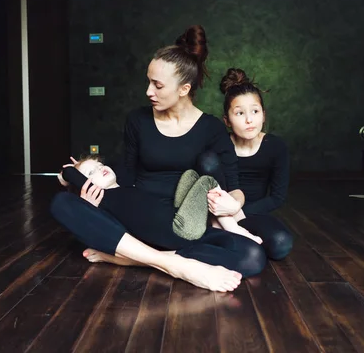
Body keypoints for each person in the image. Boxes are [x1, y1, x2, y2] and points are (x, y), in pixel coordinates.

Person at [50, 25, 266, 292]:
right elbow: (126, 173)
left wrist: (227, 208)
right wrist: (84, 182)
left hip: (185, 221)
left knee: (254, 257)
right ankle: (174, 265)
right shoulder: (137, 120)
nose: (148, 91)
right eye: (148, 81)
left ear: (184, 88)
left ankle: (132, 259)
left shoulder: (210, 128)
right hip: (135, 220)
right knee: (62, 203)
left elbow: (233, 185)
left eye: (157, 85)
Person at [61, 155, 261, 243]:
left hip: (177, 217)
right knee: (207, 181)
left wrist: (87, 168)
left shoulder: (124, 188)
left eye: (98, 165)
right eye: (91, 173)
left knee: (191, 175)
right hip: (180, 230)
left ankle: (216, 223)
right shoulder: (104, 199)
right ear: (85, 185)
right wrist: (67, 173)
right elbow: (70, 174)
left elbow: (115, 162)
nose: (99, 169)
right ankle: (234, 228)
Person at [216, 68, 294, 260]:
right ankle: (227, 236)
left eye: (255, 111)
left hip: (252, 212)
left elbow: (277, 197)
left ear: (263, 115)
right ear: (227, 120)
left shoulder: (276, 146)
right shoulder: (219, 145)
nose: (249, 120)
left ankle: (237, 238)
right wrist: (225, 213)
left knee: (281, 244)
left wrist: (240, 213)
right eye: (240, 113)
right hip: (219, 214)